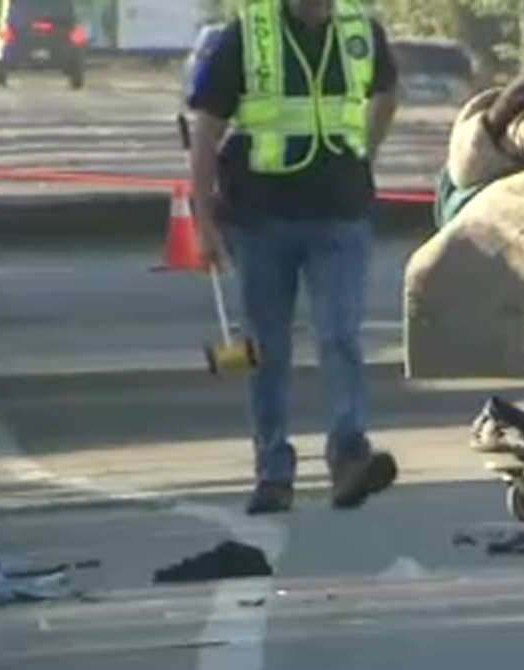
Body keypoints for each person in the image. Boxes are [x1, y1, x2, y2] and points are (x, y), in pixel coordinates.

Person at [186, 0, 401, 515]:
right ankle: (273, 472)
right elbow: (207, 131)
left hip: (340, 213)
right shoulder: (247, 36)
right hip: (262, 219)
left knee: (340, 335)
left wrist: (363, 154)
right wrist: (203, 220)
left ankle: (349, 456)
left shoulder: (360, 32)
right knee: (268, 350)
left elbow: (387, 95)